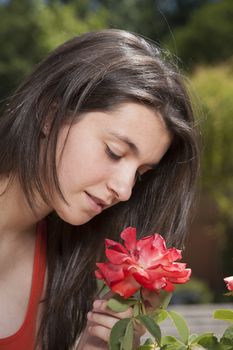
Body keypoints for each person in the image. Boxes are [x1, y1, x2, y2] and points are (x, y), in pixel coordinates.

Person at [0, 29, 199, 350]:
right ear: (51, 115)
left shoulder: (62, 272)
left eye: (141, 173)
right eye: (114, 152)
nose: (124, 190)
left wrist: (98, 345)